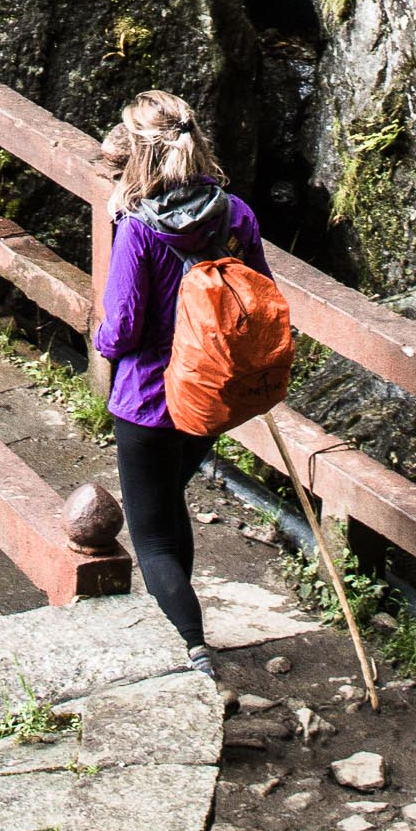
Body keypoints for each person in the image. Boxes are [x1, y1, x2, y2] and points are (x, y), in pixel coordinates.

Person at [91, 87, 272, 679]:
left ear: (137, 156)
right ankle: (184, 625)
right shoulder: (235, 213)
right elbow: (261, 293)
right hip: (210, 396)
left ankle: (192, 653)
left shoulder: (140, 229)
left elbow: (121, 328)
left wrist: (98, 343)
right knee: (170, 506)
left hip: (147, 400)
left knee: (153, 538)